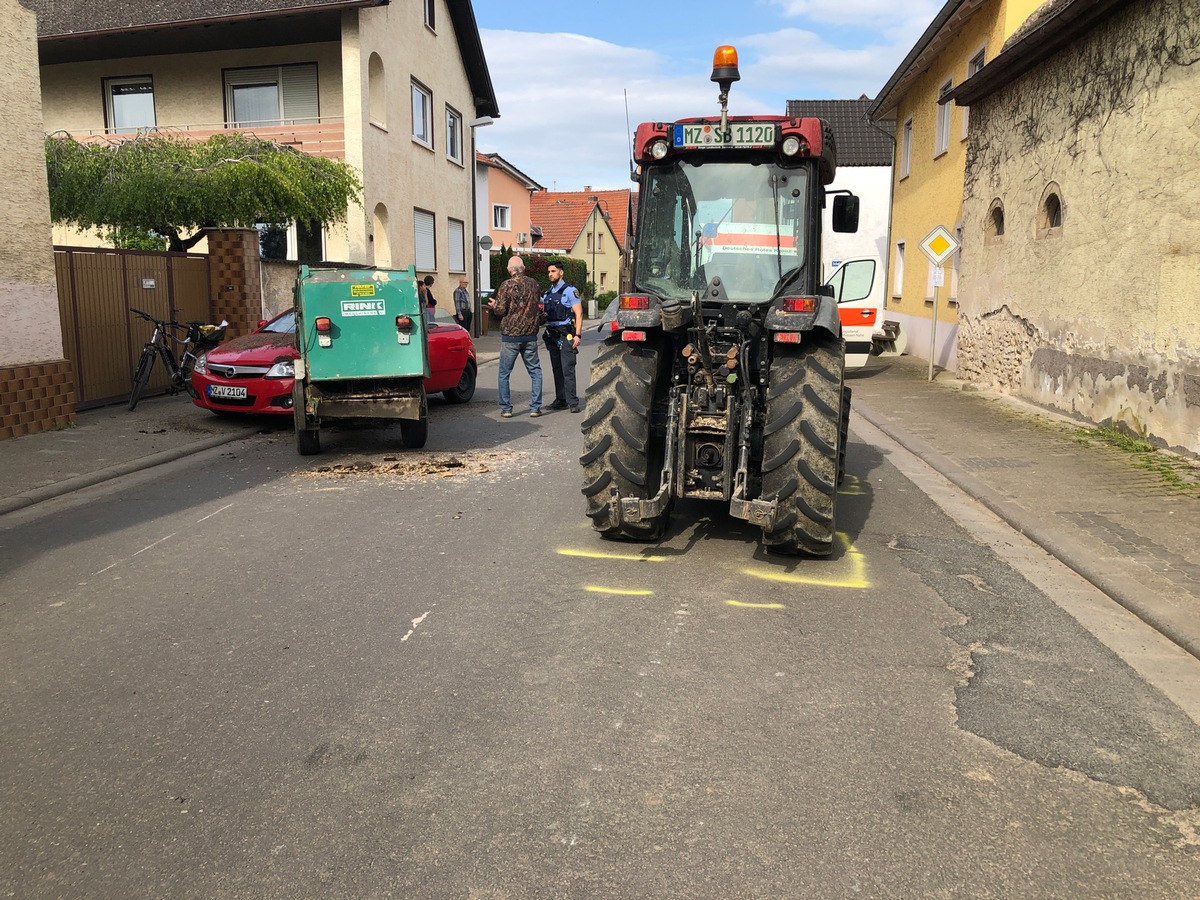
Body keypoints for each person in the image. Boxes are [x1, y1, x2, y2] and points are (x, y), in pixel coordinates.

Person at [487, 256, 543, 418]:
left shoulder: (506, 285)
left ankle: (506, 409)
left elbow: (500, 311)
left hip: (511, 336)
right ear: (524, 268)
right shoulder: (534, 284)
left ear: (509, 270)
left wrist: (494, 305)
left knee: (504, 373)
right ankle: (535, 407)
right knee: (535, 371)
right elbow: (537, 304)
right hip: (530, 335)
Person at [540, 262, 584, 412]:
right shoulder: (547, 293)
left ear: (561, 272)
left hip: (566, 334)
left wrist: (578, 335)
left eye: (553, 271)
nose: (550, 274)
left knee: (568, 368)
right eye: (548, 271)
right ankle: (561, 399)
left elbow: (579, 313)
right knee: (557, 368)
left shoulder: (570, 291)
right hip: (552, 333)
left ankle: (573, 402)